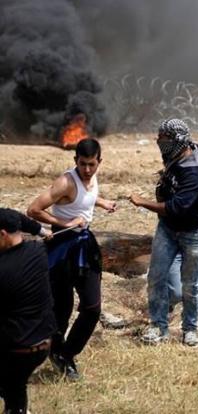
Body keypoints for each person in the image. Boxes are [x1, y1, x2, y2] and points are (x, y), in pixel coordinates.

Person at [27, 138, 116, 381]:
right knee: (62, 308)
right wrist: (65, 222)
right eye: (82, 164)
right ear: (75, 160)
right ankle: (57, 353)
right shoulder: (65, 182)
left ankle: (67, 353)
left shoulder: (93, 177)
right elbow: (33, 209)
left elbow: (85, 197)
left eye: (92, 164)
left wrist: (101, 202)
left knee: (92, 307)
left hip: (85, 245)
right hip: (62, 247)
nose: (87, 169)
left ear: (99, 162)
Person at [130, 119, 198, 347]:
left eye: (163, 138)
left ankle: (190, 329)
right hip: (168, 228)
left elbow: (177, 206)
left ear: (177, 140)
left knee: (191, 284)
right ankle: (158, 326)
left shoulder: (194, 169)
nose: (159, 142)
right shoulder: (176, 153)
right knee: (156, 277)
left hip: (193, 232)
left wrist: (142, 202)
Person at [0, 209, 57, 414]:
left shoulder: (4, 270)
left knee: (12, 384)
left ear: (3, 234)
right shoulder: (38, 251)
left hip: (17, 350)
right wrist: (42, 231)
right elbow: (17, 217)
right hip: (43, 342)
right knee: (15, 385)